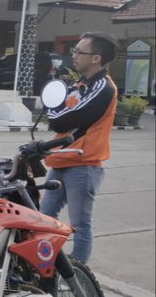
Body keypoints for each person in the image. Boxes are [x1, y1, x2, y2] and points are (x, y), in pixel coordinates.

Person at [40, 32, 118, 264]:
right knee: (44, 217)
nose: (73, 55)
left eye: (78, 52)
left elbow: (67, 117)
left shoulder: (104, 87)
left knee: (80, 224)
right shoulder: (78, 84)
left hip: (83, 164)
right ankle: (47, 262)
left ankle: (78, 275)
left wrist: (58, 115)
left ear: (96, 58)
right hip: (61, 159)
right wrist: (58, 115)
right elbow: (57, 115)